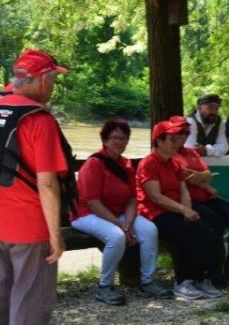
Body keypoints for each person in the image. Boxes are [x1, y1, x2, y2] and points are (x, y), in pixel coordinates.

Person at [0, 48, 71, 325]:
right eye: (53, 78)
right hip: (28, 224)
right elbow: (47, 183)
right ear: (42, 79)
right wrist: (55, 234)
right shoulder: (38, 120)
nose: (54, 85)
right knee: (30, 296)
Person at [71, 118, 172, 305]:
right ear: (105, 139)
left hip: (119, 214)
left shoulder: (125, 164)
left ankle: (148, 282)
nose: (119, 142)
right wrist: (121, 226)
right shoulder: (94, 164)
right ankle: (104, 287)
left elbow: (132, 199)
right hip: (87, 214)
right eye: (115, 138)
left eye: (124, 138)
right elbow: (93, 203)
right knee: (116, 237)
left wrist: (129, 222)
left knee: (150, 230)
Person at [137, 119, 226, 301]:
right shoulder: (149, 163)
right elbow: (156, 197)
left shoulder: (174, 163)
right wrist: (183, 211)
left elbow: (183, 191)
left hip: (174, 209)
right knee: (185, 232)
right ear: (159, 141)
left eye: (179, 139)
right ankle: (183, 282)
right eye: (172, 140)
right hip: (153, 212)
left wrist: (188, 210)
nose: (177, 143)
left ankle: (201, 277)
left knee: (206, 229)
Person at [171, 117, 229, 282]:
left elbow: (207, 175)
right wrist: (202, 179)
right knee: (214, 222)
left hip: (207, 197)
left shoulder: (191, 152)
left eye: (187, 132)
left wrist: (201, 178)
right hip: (187, 200)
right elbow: (187, 176)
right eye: (179, 132)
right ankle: (213, 271)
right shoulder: (168, 154)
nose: (183, 135)